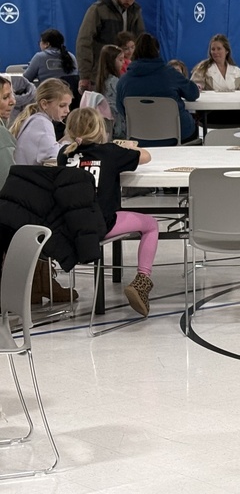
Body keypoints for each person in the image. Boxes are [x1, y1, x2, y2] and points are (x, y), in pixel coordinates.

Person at [58, 108, 161, 316]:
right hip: (101, 224)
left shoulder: (63, 155)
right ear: (100, 130)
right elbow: (146, 156)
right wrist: (125, 146)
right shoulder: (110, 152)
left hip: (70, 225)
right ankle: (142, 281)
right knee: (151, 224)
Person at [116, 33, 201, 144]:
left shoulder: (123, 81)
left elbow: (122, 110)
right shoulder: (171, 74)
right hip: (178, 135)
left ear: (136, 52)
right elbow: (193, 93)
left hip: (139, 137)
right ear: (157, 51)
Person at [75, 0, 145, 93]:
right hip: (100, 74)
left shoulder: (135, 12)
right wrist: (85, 75)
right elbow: (84, 42)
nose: (129, 1)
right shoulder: (98, 10)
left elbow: (140, 41)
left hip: (126, 74)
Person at [11, 78, 73, 165]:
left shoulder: (35, 120)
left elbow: (48, 147)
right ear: (44, 104)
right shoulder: (41, 123)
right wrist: (70, 143)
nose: (67, 110)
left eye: (68, 106)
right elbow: (55, 155)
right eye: (62, 106)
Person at [96, 44, 127, 139]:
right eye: (120, 60)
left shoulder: (101, 81)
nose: (123, 62)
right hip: (118, 129)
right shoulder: (115, 82)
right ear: (111, 62)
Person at [0, 76, 17, 186]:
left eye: (11, 95)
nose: (13, 102)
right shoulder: (1, 136)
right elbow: (9, 184)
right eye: (5, 97)